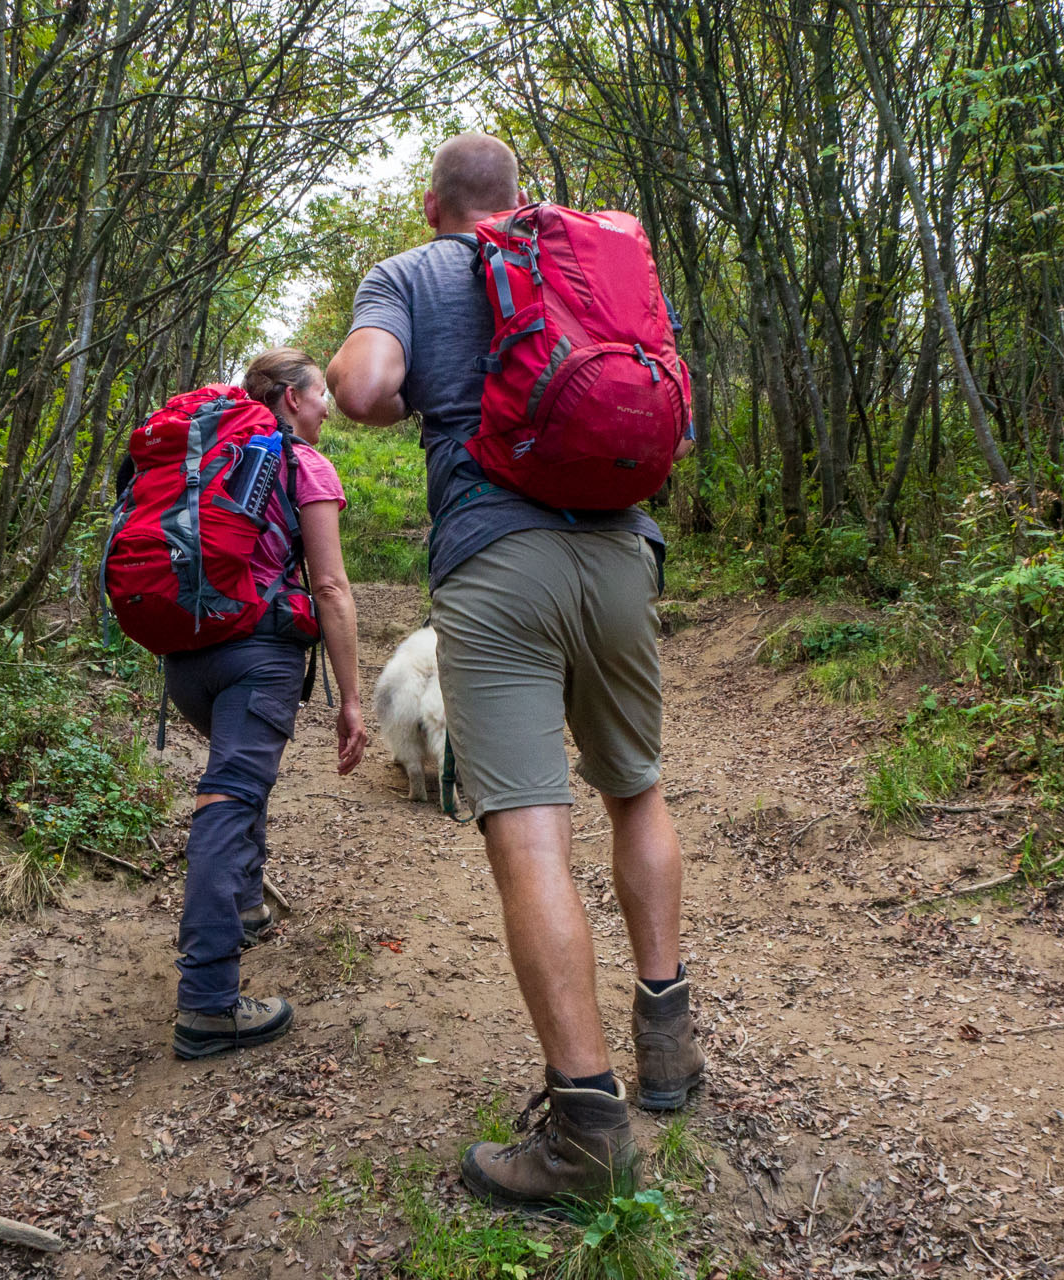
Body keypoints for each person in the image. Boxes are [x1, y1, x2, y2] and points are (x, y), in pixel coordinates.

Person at [326, 135, 704, 1206]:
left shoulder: (411, 270)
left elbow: (361, 386)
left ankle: (587, 1131)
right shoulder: (580, 256)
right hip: (624, 549)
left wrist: (416, 394)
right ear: (520, 201)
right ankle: (668, 1049)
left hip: (499, 561)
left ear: (434, 201)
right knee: (636, 789)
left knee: (530, 826)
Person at [166, 347, 367, 1059]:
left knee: (238, 783)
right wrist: (351, 697)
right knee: (229, 795)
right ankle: (209, 1004)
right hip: (259, 655)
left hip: (184, 658)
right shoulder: (301, 463)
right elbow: (332, 589)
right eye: (318, 396)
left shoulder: (210, 455)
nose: (326, 408)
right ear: (290, 397)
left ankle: (245, 904)